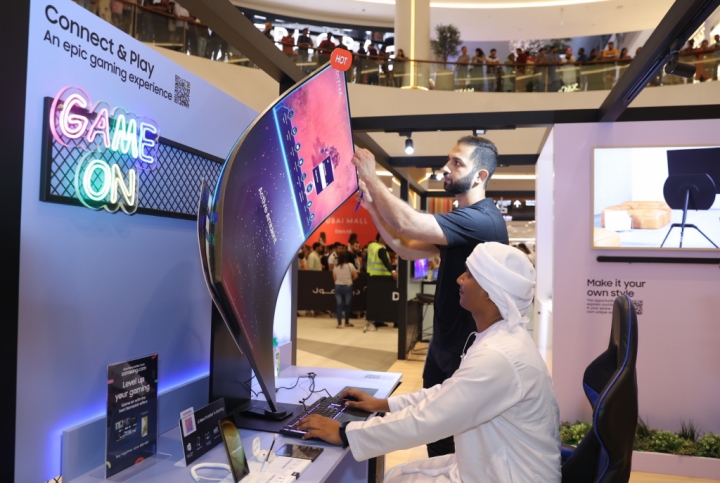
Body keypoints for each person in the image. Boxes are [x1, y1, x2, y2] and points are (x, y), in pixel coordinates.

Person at [297, 243, 561, 483]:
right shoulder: (500, 339)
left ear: (491, 292)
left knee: (395, 478)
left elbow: (430, 419)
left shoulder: (499, 355)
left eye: (469, 275)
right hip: (493, 465)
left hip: (512, 475)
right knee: (397, 475)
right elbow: (447, 394)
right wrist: (383, 404)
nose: (459, 279)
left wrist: (345, 433)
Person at [351, 135, 509, 457]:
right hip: (444, 344)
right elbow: (405, 248)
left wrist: (372, 178)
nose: (445, 168)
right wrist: (371, 207)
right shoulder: (464, 222)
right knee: (437, 440)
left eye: (457, 162)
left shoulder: (481, 220)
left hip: (466, 350)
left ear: (479, 176)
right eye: (448, 160)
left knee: (455, 443)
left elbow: (407, 223)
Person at [333, 251, 358, 328]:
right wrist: (350, 280)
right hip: (348, 287)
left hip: (338, 287)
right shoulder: (350, 265)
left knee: (339, 305)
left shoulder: (335, 267)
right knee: (347, 305)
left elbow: (334, 278)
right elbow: (356, 276)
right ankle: (347, 322)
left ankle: (339, 323)